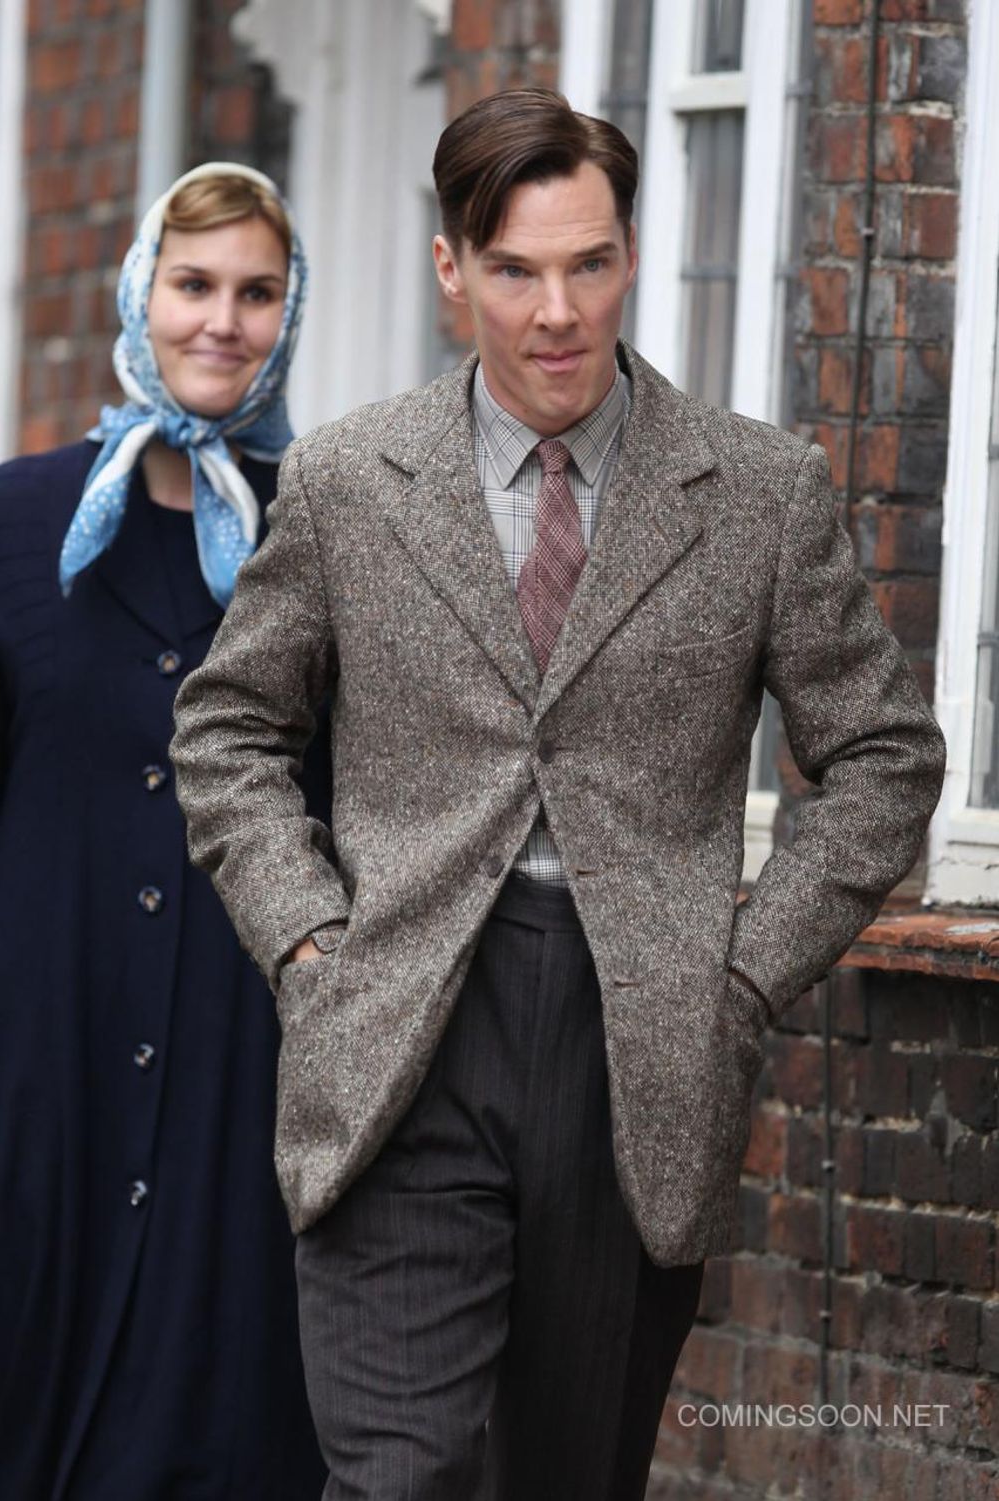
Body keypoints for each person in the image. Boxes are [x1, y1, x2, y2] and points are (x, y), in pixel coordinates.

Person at [171, 91, 947, 1501]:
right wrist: (308, 942)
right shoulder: (349, 480)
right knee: (401, 1475)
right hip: (398, 1028)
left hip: (637, 1049)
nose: (557, 312)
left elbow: (885, 756)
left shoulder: (760, 492)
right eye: (517, 270)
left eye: (590, 263)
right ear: (451, 267)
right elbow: (230, 728)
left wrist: (740, 978)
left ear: (631, 254)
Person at [0, 163, 326, 1499]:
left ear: (290, 314)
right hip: (42, 1068)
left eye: (257, 292)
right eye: (194, 284)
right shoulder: (20, 520)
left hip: (233, 1082)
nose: (222, 322)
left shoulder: (323, 533)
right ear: (143, 293)